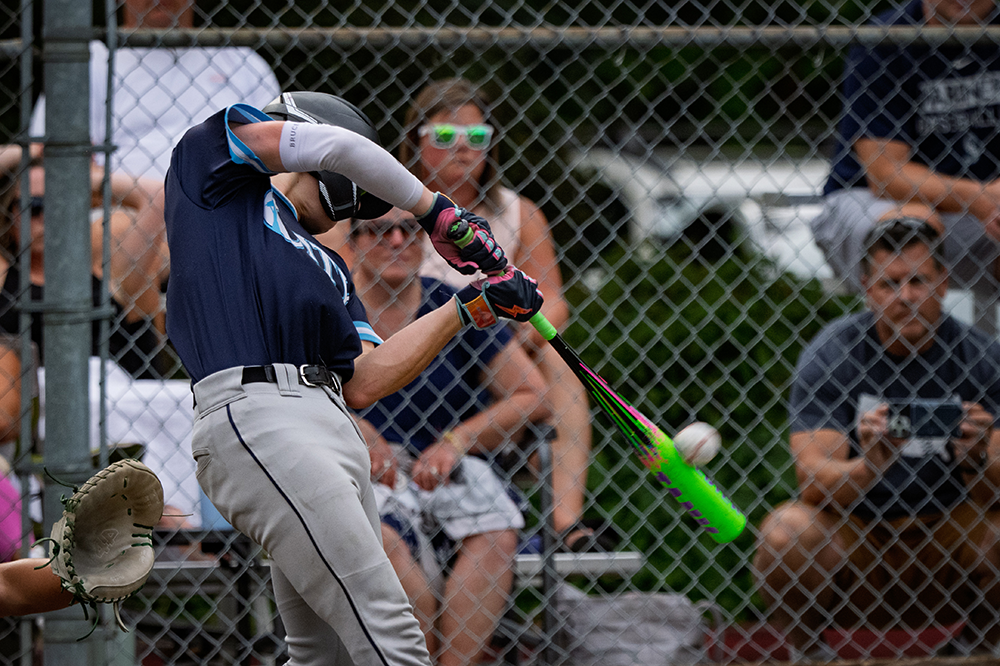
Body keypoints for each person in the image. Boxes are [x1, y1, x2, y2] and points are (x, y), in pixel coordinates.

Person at [163, 90, 543, 666]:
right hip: (261, 419)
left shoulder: (329, 265)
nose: (349, 213)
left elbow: (365, 379)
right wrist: (435, 211)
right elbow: (339, 146)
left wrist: (471, 304)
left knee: (327, 654)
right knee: (388, 631)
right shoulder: (212, 170)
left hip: (329, 428)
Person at [753, 209, 1000, 659]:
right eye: (890, 284)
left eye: (919, 281)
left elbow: (996, 486)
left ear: (944, 284)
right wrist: (870, 466)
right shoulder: (834, 352)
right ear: (868, 291)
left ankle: (977, 650)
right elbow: (811, 480)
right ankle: (811, 654)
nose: (906, 297)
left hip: (949, 539)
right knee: (785, 532)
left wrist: (976, 458)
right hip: (859, 544)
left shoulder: (983, 357)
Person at [398, 78, 605, 551]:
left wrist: (519, 336)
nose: (464, 150)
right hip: (414, 342)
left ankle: (565, 523)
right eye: (446, 138)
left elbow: (553, 299)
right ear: (415, 142)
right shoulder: (390, 209)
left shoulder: (517, 211)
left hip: (490, 346)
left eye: (477, 138)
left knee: (560, 366)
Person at [348, 207, 551, 664]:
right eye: (379, 230)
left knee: (495, 535)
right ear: (354, 241)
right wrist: (355, 430)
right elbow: (298, 390)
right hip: (365, 472)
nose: (397, 239)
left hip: (446, 466)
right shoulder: (333, 309)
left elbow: (531, 395)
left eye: (408, 229)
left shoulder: (453, 302)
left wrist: (457, 441)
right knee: (381, 541)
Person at [811, 0, 1000, 301]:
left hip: (977, 212)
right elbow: (886, 175)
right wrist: (981, 198)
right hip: (872, 202)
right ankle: (906, 347)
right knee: (911, 229)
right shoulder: (887, 37)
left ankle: (980, 350)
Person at [29, 0, 281, 182]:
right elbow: (48, 158)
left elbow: (279, 156)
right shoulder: (89, 62)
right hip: (123, 215)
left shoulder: (243, 63)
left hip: (226, 208)